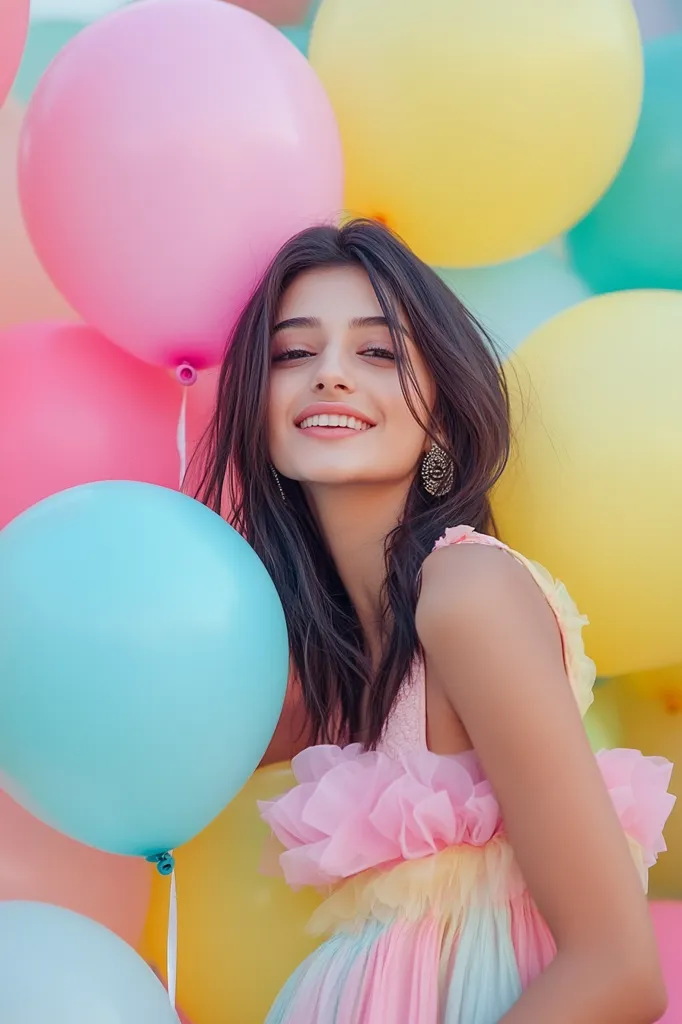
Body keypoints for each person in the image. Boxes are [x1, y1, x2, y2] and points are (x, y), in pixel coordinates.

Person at [197, 219, 673, 1023]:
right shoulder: (326, 662)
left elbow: (620, 970)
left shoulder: (466, 591)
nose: (331, 377)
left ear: (443, 417)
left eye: (377, 353)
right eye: (294, 354)